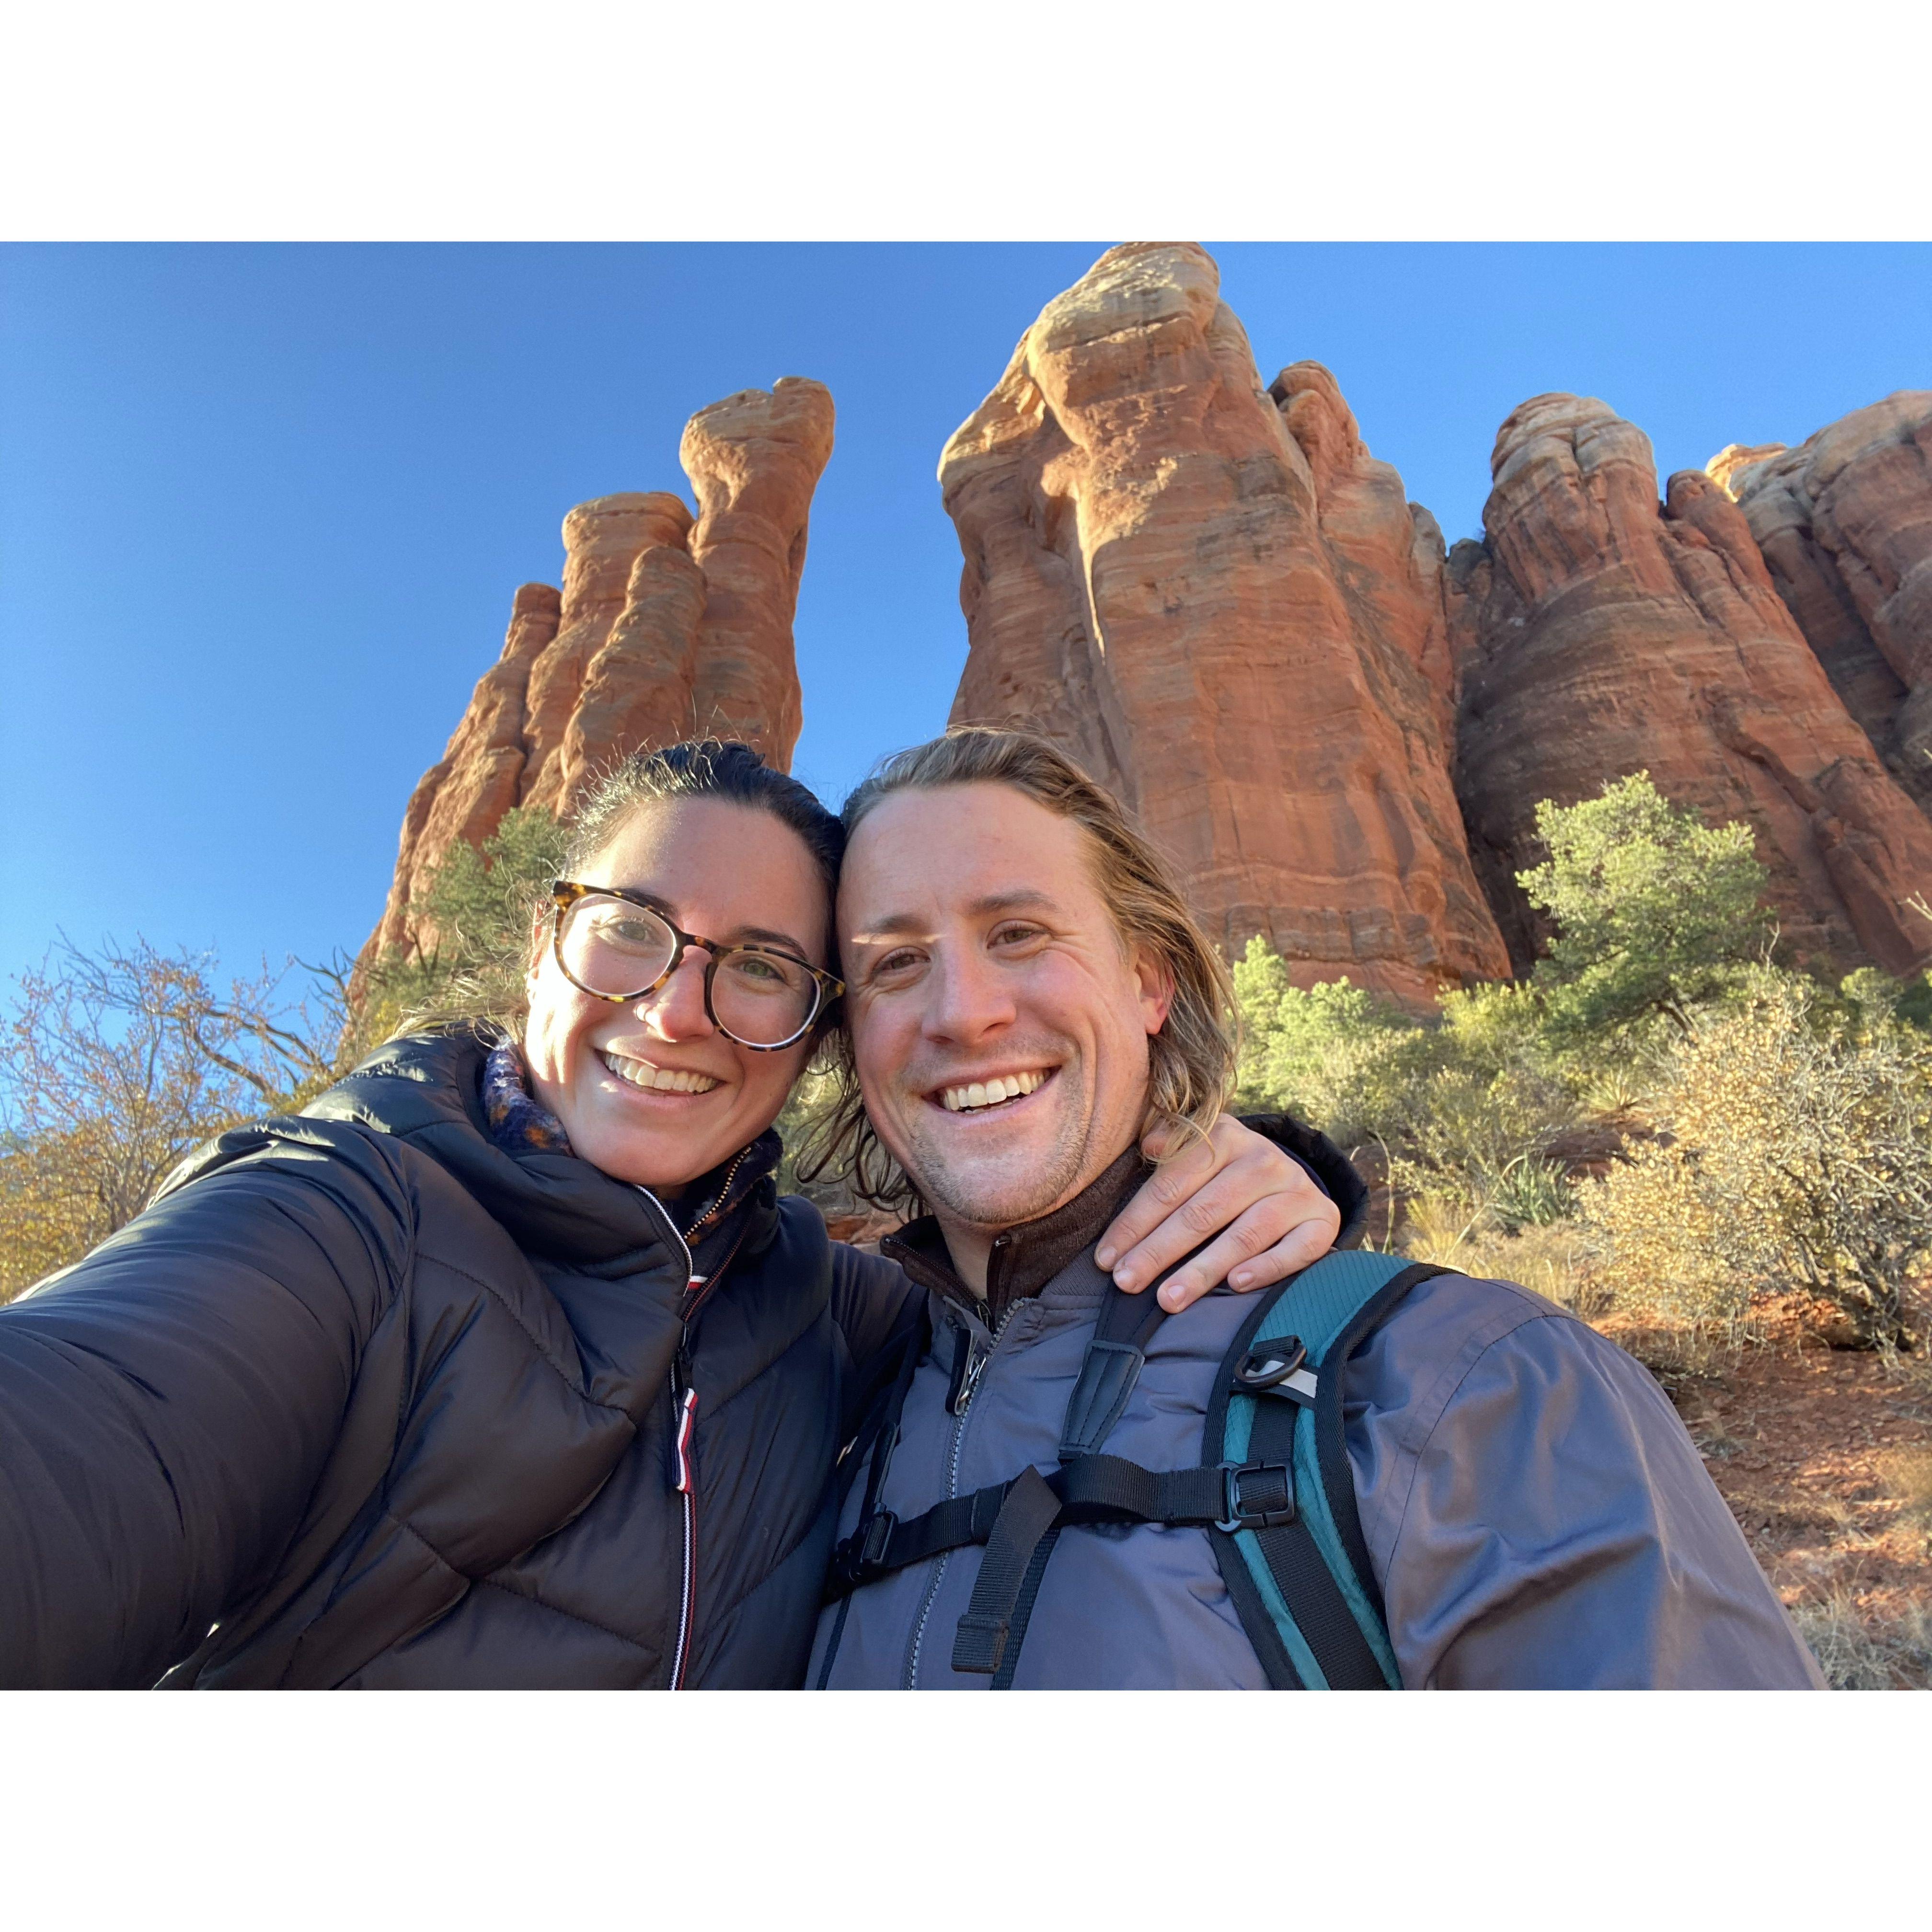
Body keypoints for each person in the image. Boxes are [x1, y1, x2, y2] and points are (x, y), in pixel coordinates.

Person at [0, 740, 1344, 1689]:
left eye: (761, 969)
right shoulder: (335, 1223)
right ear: (546, 942)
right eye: (632, 929)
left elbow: (1034, 1289)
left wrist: (1274, 1167)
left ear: (815, 1036)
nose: (677, 1011)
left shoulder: (819, 1301)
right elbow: (101, 1424)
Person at [808, 727, 1826, 1689]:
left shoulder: (1468, 1382)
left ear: (1149, 981)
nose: (961, 1011)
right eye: (895, 963)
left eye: (1019, 934)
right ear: (850, 1035)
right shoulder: (828, 1392)